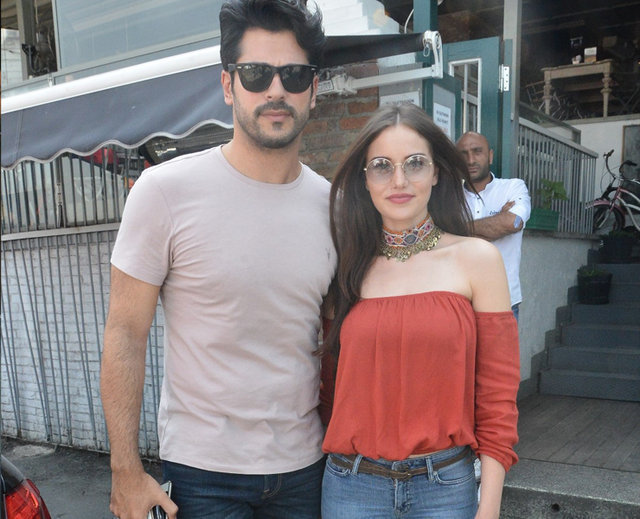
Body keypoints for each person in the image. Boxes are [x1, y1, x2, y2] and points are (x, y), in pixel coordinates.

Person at [100, 1, 335, 518]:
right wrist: (125, 471)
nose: (276, 90)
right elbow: (124, 333)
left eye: (295, 75)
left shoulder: (333, 206)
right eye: (256, 74)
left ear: (314, 90)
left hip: (307, 468)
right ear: (228, 85)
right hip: (202, 473)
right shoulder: (164, 192)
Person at [320, 104, 520, 519]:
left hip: (445, 488)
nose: (399, 180)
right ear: (364, 180)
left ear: (437, 173)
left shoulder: (477, 260)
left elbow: (497, 395)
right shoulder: (345, 267)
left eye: (414, 163)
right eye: (381, 166)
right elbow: (327, 386)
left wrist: (490, 506)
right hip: (352, 488)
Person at [456, 132, 531, 321]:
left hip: (503, 303)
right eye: (463, 154)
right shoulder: (451, 197)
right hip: (460, 303)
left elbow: (512, 222)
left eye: (477, 152)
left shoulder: (512, 188)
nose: (470, 160)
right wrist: (497, 220)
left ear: (490, 156)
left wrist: (457, 230)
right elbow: (438, 236)